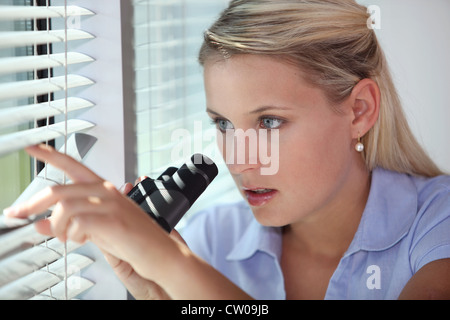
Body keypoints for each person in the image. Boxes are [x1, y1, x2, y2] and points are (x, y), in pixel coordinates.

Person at [4, 0, 450, 300]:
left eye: (269, 122)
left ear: (359, 109)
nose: (239, 159)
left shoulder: (437, 223)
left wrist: (171, 264)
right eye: (222, 123)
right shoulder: (211, 239)